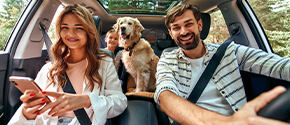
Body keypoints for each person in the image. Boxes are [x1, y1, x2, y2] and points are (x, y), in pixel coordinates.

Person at [154, 3, 290, 125]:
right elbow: (165, 96)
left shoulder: (229, 51)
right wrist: (227, 122)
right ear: (171, 34)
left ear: (199, 25)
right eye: (176, 28)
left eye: (188, 24)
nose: (183, 31)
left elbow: (278, 65)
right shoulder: (167, 60)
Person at [8, 4, 127, 125]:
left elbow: (120, 102)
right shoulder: (48, 68)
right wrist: (27, 114)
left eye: (79, 28)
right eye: (65, 27)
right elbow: (31, 114)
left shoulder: (104, 64)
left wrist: (87, 100)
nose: (71, 33)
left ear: (89, 31)